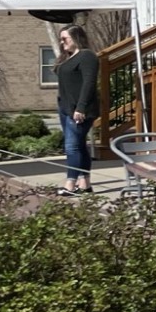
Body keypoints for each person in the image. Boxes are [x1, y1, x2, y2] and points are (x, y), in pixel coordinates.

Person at [55, 24, 99, 195]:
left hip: (79, 110)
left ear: (76, 37)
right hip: (65, 108)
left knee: (72, 147)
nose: (62, 42)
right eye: (61, 39)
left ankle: (70, 185)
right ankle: (85, 184)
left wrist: (81, 107)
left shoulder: (87, 56)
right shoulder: (69, 57)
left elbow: (89, 83)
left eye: (64, 39)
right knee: (79, 145)